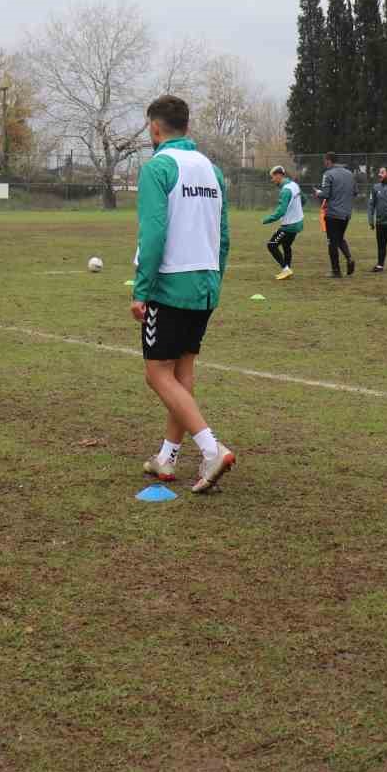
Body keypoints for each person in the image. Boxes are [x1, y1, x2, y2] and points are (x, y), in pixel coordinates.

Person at [132, 94, 235, 494]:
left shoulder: (158, 167)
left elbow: (153, 233)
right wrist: (216, 279)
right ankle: (167, 457)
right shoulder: (213, 170)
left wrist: (142, 289)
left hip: (170, 283)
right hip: (206, 282)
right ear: (187, 127)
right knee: (182, 371)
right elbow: (223, 237)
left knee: (157, 373)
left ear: (154, 129)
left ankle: (212, 450)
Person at [313, 152, 356, 277]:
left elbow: (325, 194)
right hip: (346, 214)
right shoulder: (349, 173)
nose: (324, 163)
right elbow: (355, 192)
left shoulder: (328, 174)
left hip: (333, 214)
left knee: (332, 241)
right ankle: (349, 258)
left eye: (324, 161)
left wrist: (318, 193)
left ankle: (336, 271)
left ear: (328, 161)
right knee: (339, 238)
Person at [261, 165, 303, 280]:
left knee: (271, 245)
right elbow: (303, 200)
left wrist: (267, 219)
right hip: (298, 223)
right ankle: (287, 270)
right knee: (286, 245)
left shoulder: (286, 190)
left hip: (289, 225)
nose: (272, 179)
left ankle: (286, 269)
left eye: (273, 177)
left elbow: (281, 211)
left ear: (279, 175)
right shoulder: (295, 185)